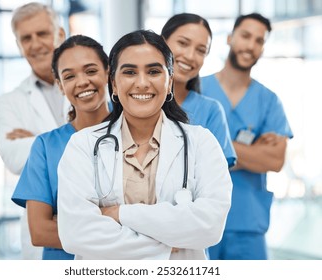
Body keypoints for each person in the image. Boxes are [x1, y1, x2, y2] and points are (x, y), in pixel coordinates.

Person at [57, 30, 232, 260]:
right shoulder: (83, 145)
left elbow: (210, 226)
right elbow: (76, 234)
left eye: (153, 71)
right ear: (114, 85)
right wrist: (167, 246)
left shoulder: (201, 143)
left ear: (169, 82)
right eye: (129, 72)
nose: (142, 83)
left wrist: (120, 214)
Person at [200, 13, 293, 260]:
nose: (251, 45)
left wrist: (212, 146)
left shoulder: (269, 100)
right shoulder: (196, 90)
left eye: (259, 41)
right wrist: (249, 153)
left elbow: (274, 160)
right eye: (245, 36)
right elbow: (183, 155)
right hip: (198, 220)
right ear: (230, 38)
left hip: (247, 224)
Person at [11, 35, 110, 260]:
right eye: (69, 76)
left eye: (91, 71)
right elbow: (39, 231)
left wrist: (70, 225)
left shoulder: (133, 134)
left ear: (108, 73)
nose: (82, 81)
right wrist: (121, 230)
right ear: (61, 86)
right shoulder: (46, 147)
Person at [0, 2, 67, 259]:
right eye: (26, 38)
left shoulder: (95, 86)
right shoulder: (11, 101)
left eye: (42, 33)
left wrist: (36, 143)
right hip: (44, 232)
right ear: (19, 45)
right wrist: (80, 139)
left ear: (60, 34)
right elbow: (14, 158)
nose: (35, 44)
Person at [161, 13, 236, 167]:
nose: (190, 56)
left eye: (201, 50)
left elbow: (216, 177)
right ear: (162, 42)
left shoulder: (211, 111)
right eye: (183, 43)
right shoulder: (129, 102)